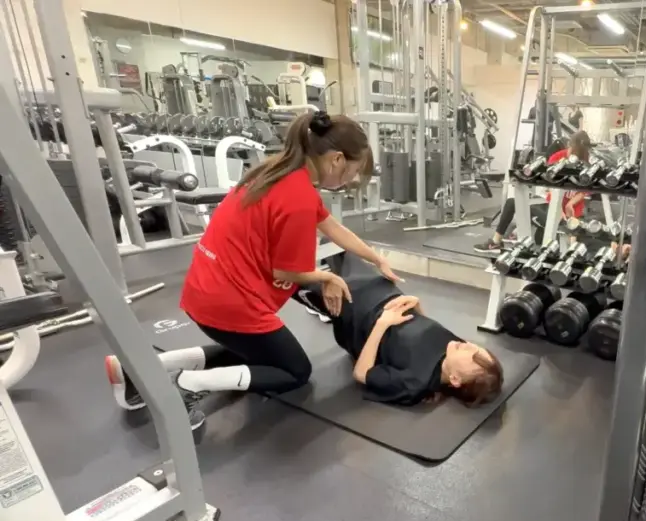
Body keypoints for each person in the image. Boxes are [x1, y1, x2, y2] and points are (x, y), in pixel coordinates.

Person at [105, 111, 402, 429]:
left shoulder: (276, 171)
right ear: (337, 160)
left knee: (257, 352)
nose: (349, 180)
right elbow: (287, 272)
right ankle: (188, 385)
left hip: (202, 292)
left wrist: (376, 258)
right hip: (231, 304)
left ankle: (139, 369)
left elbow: (329, 226)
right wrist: (329, 276)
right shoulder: (298, 197)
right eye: (352, 171)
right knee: (294, 371)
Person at [294, 253, 505, 406]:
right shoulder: (455, 347)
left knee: (283, 275)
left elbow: (361, 373)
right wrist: (416, 305)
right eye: (476, 349)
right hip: (379, 288)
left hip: (355, 312)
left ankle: (319, 304)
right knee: (336, 246)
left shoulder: (414, 382)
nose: (469, 345)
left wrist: (382, 324)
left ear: (455, 380)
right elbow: (423, 331)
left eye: (472, 355)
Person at [474, 130, 593, 254]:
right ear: (570, 145)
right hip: (551, 209)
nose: (574, 156)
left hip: (570, 217)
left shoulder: (586, 164)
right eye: (573, 151)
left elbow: (583, 191)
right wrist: (559, 209)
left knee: (571, 236)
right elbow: (550, 188)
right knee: (512, 202)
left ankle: (569, 250)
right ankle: (496, 242)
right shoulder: (557, 158)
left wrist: (570, 204)